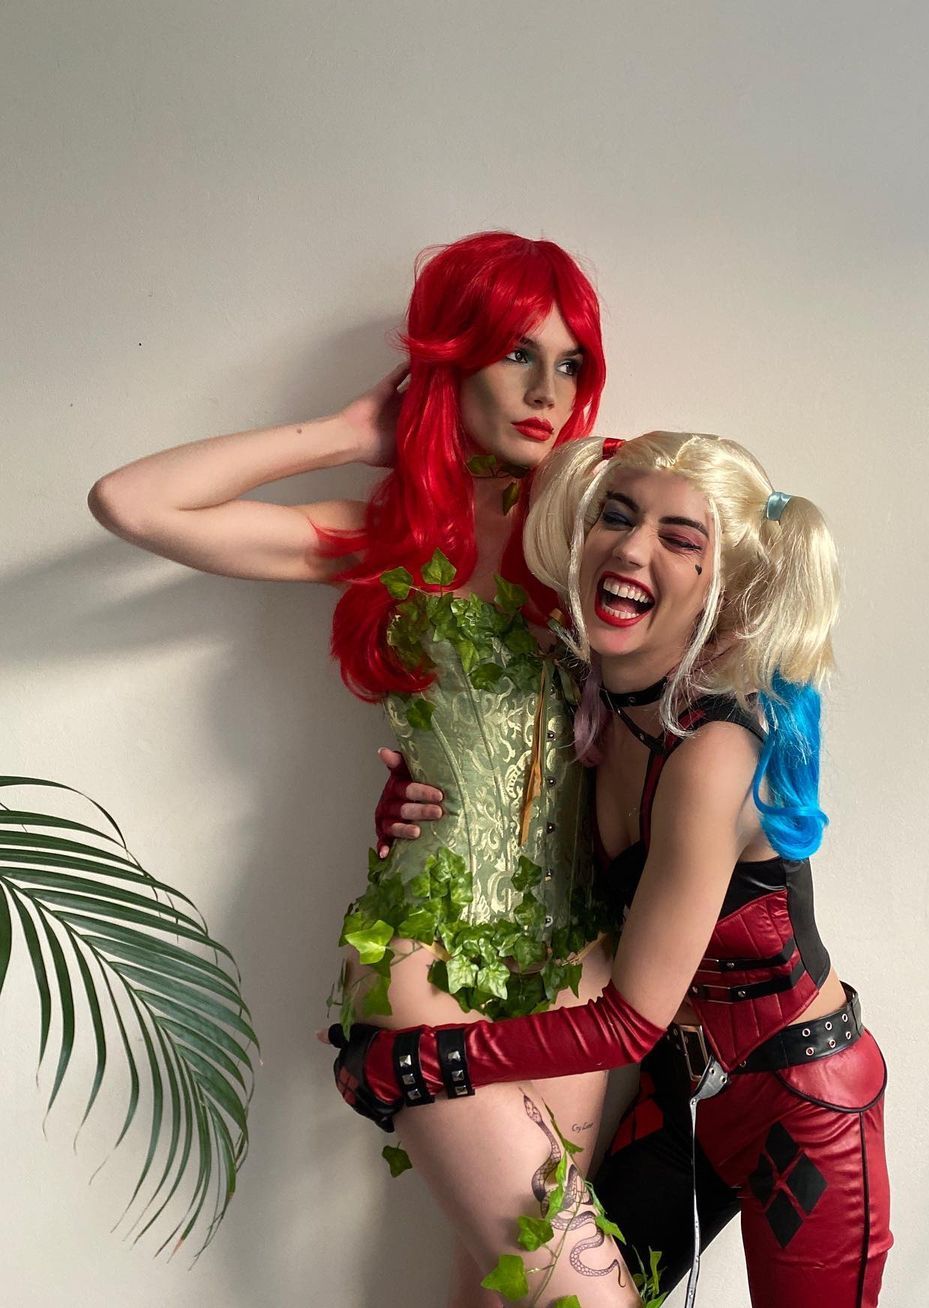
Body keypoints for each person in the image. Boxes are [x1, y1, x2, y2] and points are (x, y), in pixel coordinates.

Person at [88, 232, 632, 1307]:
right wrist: (347, 433)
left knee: (504, 1293)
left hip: (580, 965)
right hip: (426, 951)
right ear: (452, 360)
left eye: (570, 363)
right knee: (579, 1292)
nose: (546, 391)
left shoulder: (602, 532)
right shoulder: (394, 537)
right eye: (515, 354)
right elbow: (131, 502)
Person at [329, 431, 893, 1307]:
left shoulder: (713, 753)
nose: (631, 549)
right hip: (682, 1100)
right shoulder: (590, 696)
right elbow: (506, 814)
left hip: (804, 1107)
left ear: (721, 587)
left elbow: (627, 1024)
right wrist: (409, 806)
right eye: (618, 518)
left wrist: (424, 1064)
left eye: (679, 538)